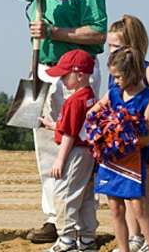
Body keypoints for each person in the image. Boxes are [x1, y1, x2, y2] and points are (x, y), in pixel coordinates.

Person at [25, 0, 107, 244]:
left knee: (77, 147)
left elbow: (97, 32)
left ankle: (82, 222)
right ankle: (54, 215)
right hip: (45, 69)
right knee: (46, 148)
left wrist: (55, 32)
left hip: (76, 73)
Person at [106, 15, 149, 252]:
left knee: (142, 191)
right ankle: (134, 237)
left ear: (131, 46)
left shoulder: (147, 69)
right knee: (125, 190)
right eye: (109, 46)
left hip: (143, 140)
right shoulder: (115, 73)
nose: (111, 50)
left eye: (116, 46)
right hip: (122, 144)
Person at [89, 47, 149, 252]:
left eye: (118, 76)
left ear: (132, 73)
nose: (115, 80)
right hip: (110, 161)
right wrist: (104, 131)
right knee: (115, 208)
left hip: (132, 162)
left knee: (139, 208)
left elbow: (148, 138)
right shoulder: (113, 94)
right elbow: (92, 115)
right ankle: (123, 248)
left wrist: (124, 138)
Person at [37, 49, 98, 252]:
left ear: (79, 75)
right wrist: (53, 125)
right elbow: (75, 126)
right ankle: (88, 239)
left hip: (74, 153)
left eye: (64, 75)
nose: (62, 79)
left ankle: (66, 240)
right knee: (86, 196)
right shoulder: (89, 97)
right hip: (88, 154)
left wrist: (59, 161)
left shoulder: (74, 100)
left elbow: (70, 135)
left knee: (64, 195)